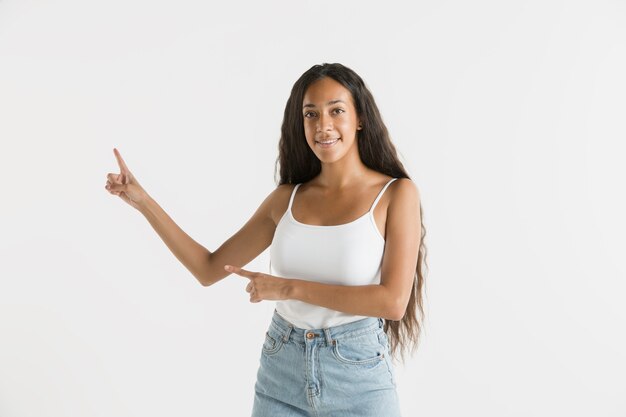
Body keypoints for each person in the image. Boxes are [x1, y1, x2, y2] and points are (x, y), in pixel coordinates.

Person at [104, 62, 427, 417]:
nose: (323, 126)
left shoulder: (396, 194)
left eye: (336, 110)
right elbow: (208, 269)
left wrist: (288, 288)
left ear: (360, 118)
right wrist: (144, 202)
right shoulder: (285, 200)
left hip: (358, 378)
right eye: (311, 114)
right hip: (281, 374)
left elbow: (393, 302)